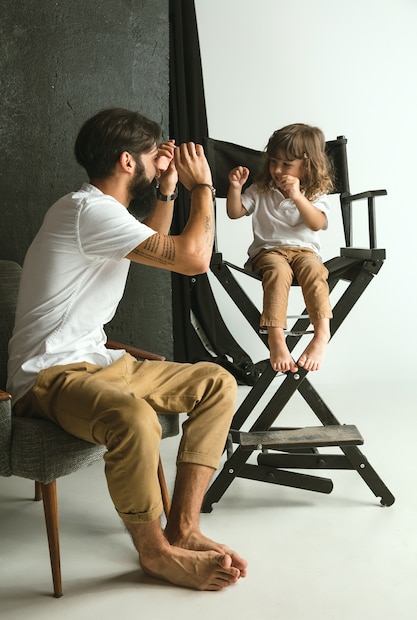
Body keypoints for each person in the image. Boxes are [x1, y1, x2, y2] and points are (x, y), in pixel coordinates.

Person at [7, 107, 247, 591]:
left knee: (216, 381)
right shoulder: (86, 210)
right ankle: (155, 553)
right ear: (126, 161)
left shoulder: (104, 212)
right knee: (135, 417)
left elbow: (156, 239)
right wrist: (204, 186)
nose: (160, 160)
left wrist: (167, 187)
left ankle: (184, 527)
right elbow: (192, 259)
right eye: (150, 155)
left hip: (99, 362)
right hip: (50, 376)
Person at [227, 123, 333, 373]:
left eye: (286, 165)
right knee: (278, 272)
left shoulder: (315, 192)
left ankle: (321, 335)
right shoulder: (261, 189)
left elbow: (317, 223)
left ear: (307, 165)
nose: (276, 169)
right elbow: (234, 213)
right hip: (268, 253)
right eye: (273, 162)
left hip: (305, 252)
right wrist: (235, 188)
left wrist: (298, 196)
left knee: (315, 272)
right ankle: (276, 339)